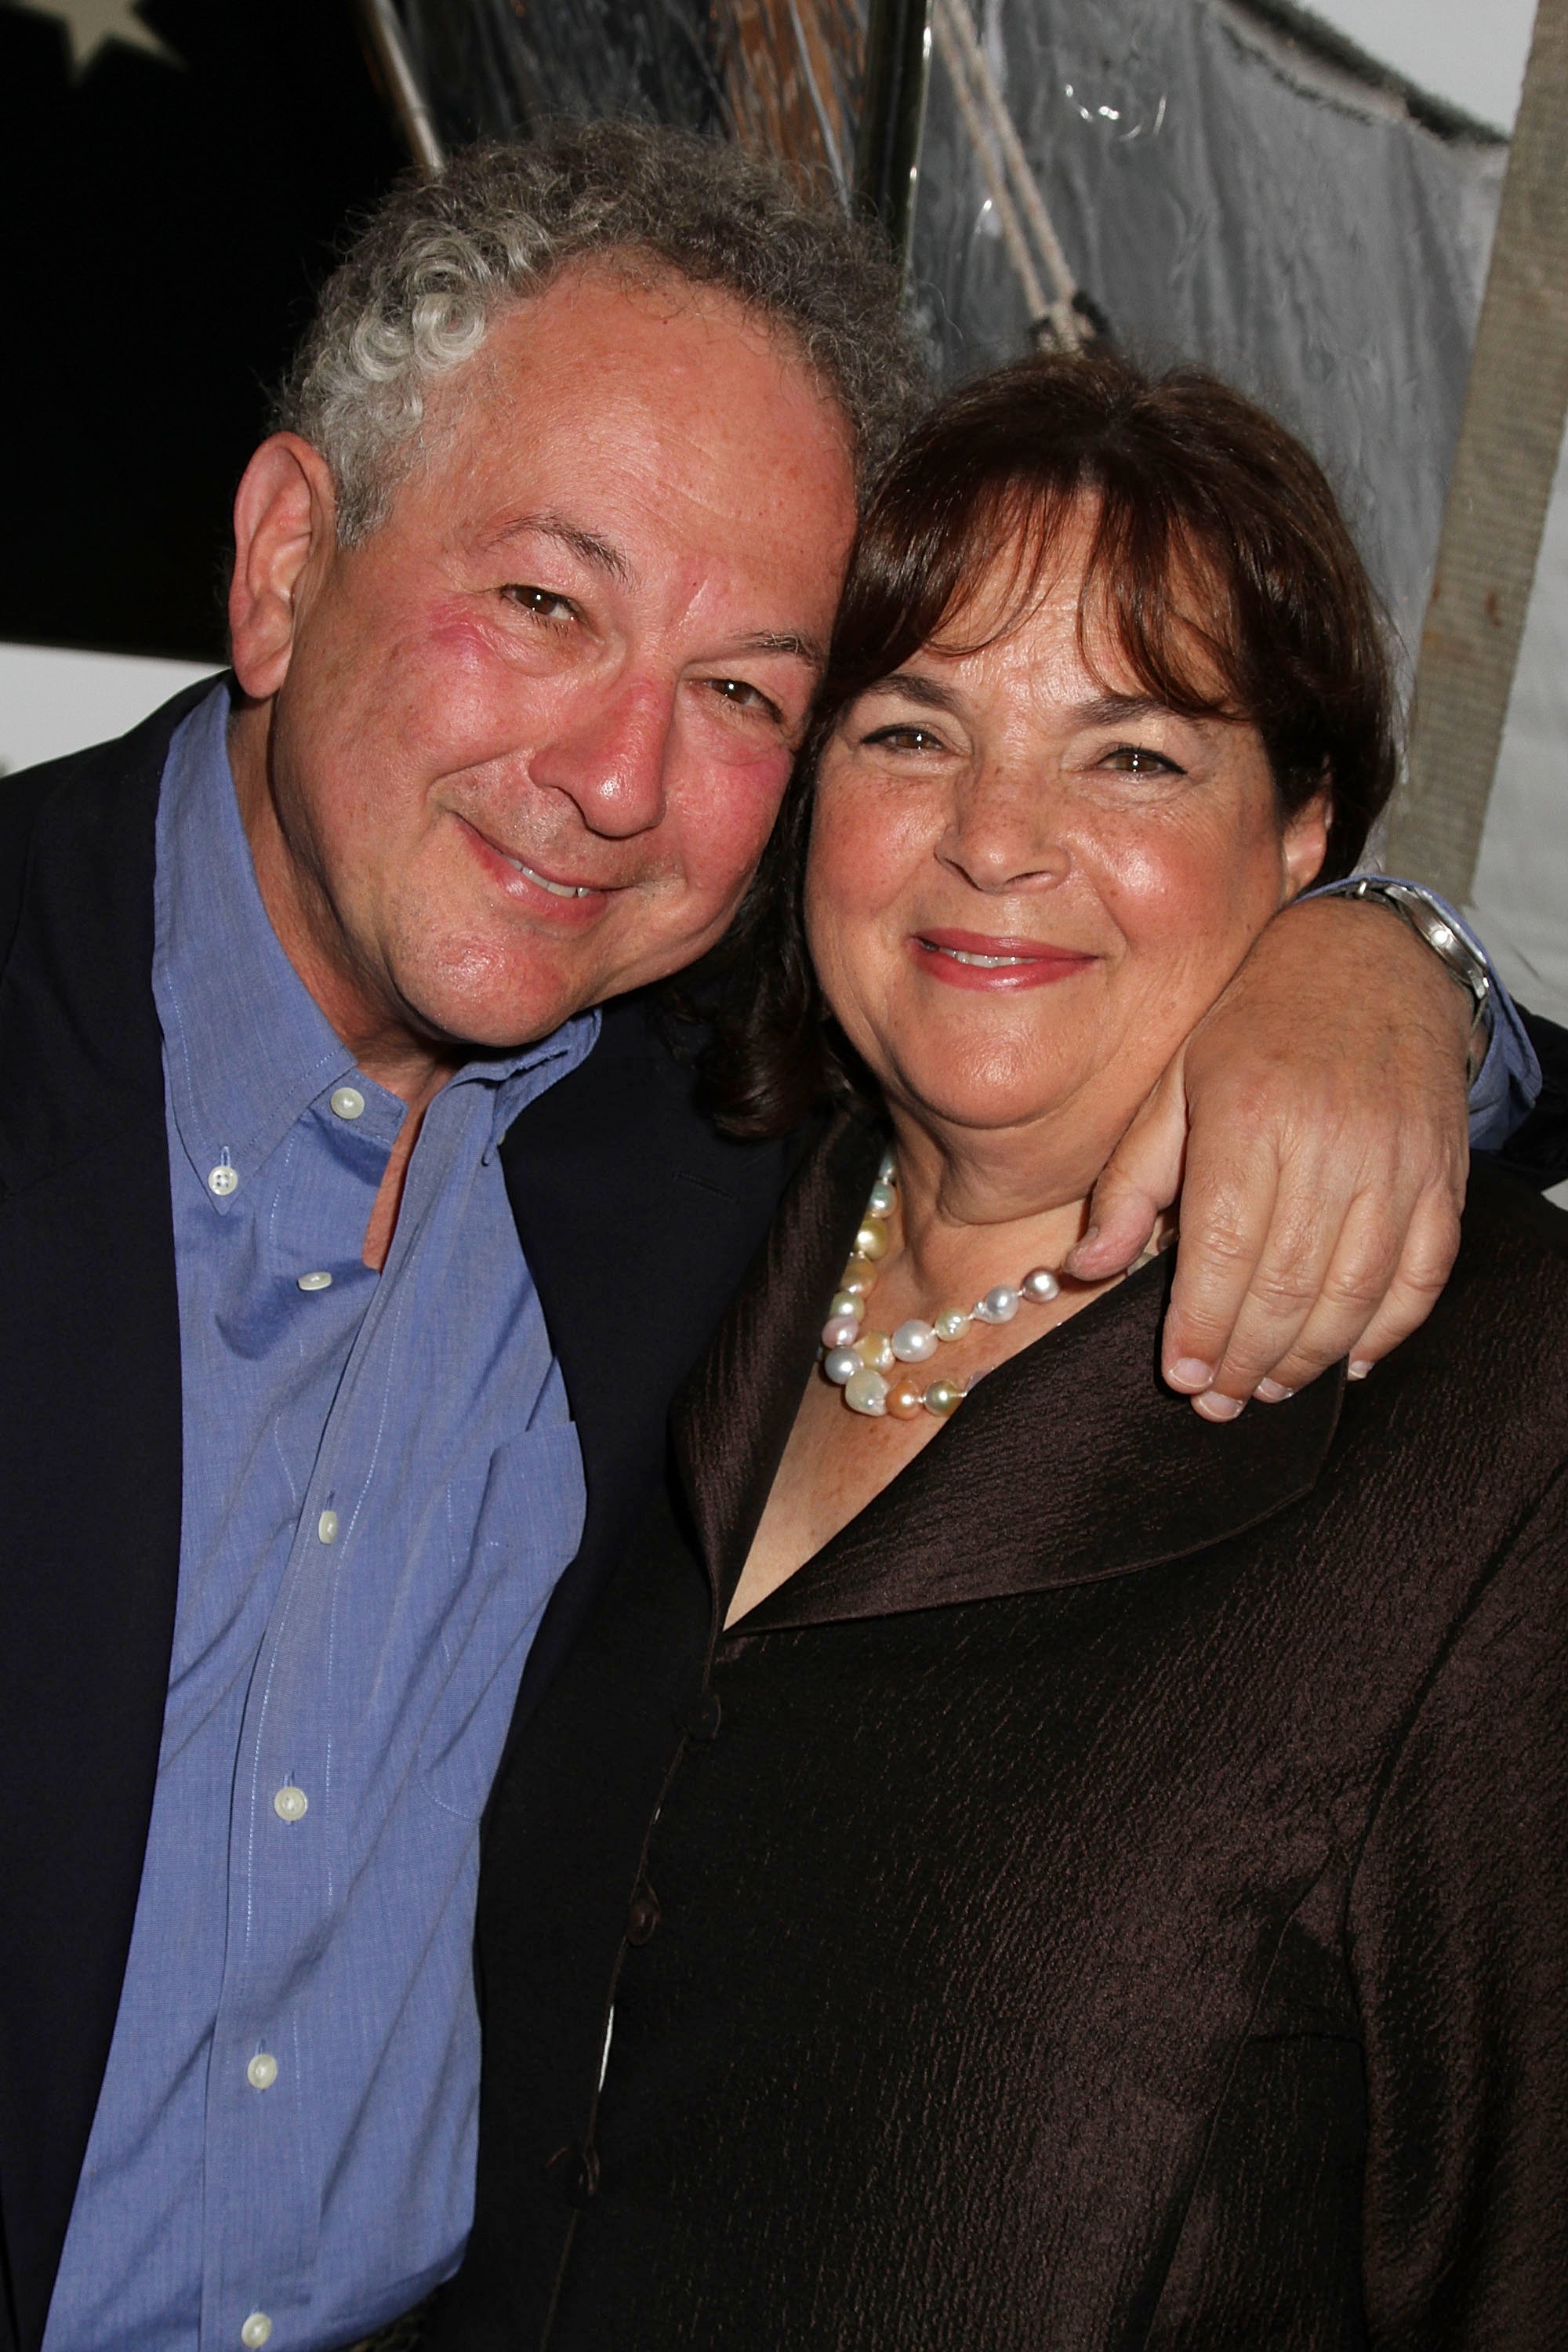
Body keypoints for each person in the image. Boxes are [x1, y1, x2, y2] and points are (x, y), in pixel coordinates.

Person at [0, 129, 1561, 2352]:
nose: (619, 776)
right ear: (280, 564)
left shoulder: (666, 1113)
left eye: (744, 689)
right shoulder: (745, 1151)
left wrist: (1391, 965)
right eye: (547, 605)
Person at [434, 353, 1568, 2349]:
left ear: (1302, 835)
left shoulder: (1490, 1442)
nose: (994, 839)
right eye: (907, 732)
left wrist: (1420, 958)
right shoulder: (646, 1210)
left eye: (1132, 757)